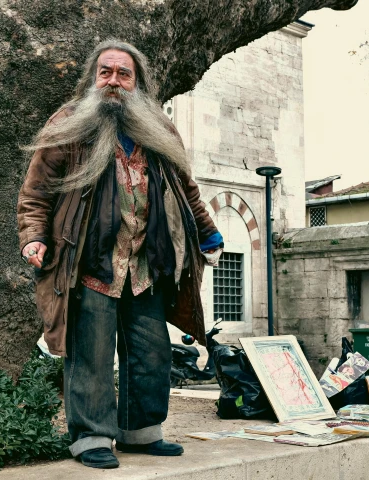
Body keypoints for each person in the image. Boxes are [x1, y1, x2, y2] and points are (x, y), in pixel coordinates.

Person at [16, 39, 223, 469]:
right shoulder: (70, 123)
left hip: (146, 264)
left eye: (123, 74)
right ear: (93, 79)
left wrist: (207, 231)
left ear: (137, 82)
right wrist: (33, 236)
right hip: (89, 264)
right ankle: (90, 437)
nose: (113, 81)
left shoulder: (159, 129)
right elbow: (36, 191)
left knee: (152, 353)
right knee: (89, 354)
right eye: (105, 72)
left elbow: (187, 187)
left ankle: (142, 433)